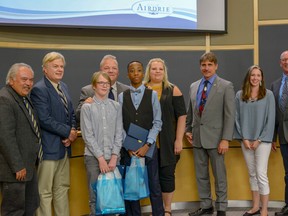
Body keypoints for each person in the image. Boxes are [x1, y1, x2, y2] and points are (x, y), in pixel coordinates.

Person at [185, 52, 235, 216]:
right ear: (200, 66)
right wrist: (188, 130)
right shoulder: (193, 86)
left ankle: (221, 208)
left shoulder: (226, 86)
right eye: (203, 65)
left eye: (210, 65)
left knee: (219, 176)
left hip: (217, 140)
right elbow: (191, 111)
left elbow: (229, 115)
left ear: (216, 66)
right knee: (201, 175)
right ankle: (206, 206)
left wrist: (226, 139)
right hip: (198, 138)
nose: (206, 68)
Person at [30, 52, 78, 216]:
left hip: (64, 148)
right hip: (48, 149)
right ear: (44, 69)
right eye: (55, 66)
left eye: (61, 66)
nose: (59, 69)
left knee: (62, 188)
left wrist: (71, 133)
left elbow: (70, 113)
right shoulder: (39, 89)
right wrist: (68, 132)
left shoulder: (63, 86)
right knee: (45, 191)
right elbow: (44, 119)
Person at [118, 60, 164, 216]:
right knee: (132, 187)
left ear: (143, 72)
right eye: (132, 70)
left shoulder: (152, 95)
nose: (135, 73)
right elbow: (120, 125)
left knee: (154, 185)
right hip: (129, 149)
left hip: (148, 148)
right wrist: (129, 146)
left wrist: (147, 145)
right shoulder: (121, 97)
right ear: (127, 74)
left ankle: (159, 213)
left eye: (138, 70)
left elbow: (157, 122)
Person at [143, 58, 187, 216]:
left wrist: (178, 139)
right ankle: (157, 209)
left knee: (167, 176)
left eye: (160, 69)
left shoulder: (173, 89)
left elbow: (182, 116)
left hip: (168, 142)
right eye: (154, 69)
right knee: (151, 178)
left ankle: (167, 209)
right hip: (147, 143)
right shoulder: (142, 89)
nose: (157, 71)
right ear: (149, 71)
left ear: (164, 71)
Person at [234, 65, 275, 216]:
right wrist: (244, 138)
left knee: (261, 173)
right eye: (253, 75)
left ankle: (264, 209)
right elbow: (236, 118)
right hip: (245, 141)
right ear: (248, 77)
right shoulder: (239, 95)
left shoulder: (268, 95)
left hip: (262, 141)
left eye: (258, 75)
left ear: (262, 78)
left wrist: (259, 139)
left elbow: (270, 120)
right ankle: (255, 207)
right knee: (252, 174)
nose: (255, 78)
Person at [0, 63, 40, 215]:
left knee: (30, 207)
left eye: (31, 80)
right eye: (24, 79)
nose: (28, 83)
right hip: (15, 171)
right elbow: (5, 136)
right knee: (14, 211)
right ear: (11, 80)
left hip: (27, 167)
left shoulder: (23, 98)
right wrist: (17, 166)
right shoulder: (4, 99)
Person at [80, 71, 123, 216]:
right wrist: (100, 159)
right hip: (93, 158)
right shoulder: (87, 107)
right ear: (94, 86)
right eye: (101, 83)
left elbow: (119, 133)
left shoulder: (116, 106)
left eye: (107, 83)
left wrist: (114, 157)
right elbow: (88, 136)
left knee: (113, 195)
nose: (104, 86)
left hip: (112, 158)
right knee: (95, 196)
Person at [76, 54, 129, 126]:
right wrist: (85, 106)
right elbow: (78, 117)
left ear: (118, 72)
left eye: (114, 68)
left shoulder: (126, 90)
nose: (111, 71)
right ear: (100, 71)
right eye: (107, 68)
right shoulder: (88, 91)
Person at [271, 50, 288, 216]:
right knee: (287, 173)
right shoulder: (275, 85)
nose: (286, 62)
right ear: (280, 63)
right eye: (284, 60)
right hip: (283, 136)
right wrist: (273, 138)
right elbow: (274, 114)